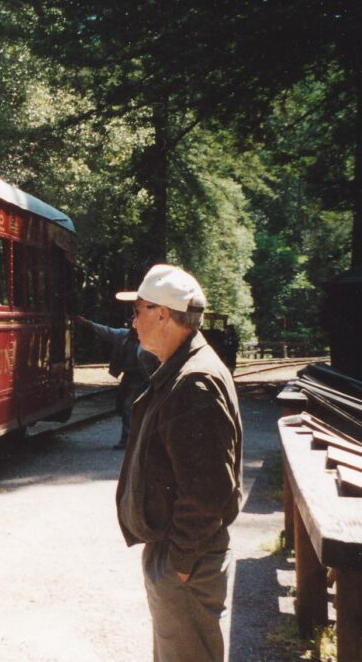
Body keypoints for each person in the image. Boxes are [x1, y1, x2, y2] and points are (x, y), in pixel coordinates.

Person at [114, 264, 243, 662]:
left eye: (137, 311)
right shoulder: (184, 369)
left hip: (187, 559)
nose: (133, 322)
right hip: (180, 553)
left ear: (163, 314)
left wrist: (179, 564)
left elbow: (208, 492)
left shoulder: (193, 382)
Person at [74, 314, 159, 449]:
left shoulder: (152, 339)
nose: (134, 324)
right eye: (132, 321)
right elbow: (105, 331)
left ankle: (129, 439)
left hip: (144, 378)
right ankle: (132, 438)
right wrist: (87, 323)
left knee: (129, 407)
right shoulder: (122, 336)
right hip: (129, 377)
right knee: (122, 406)